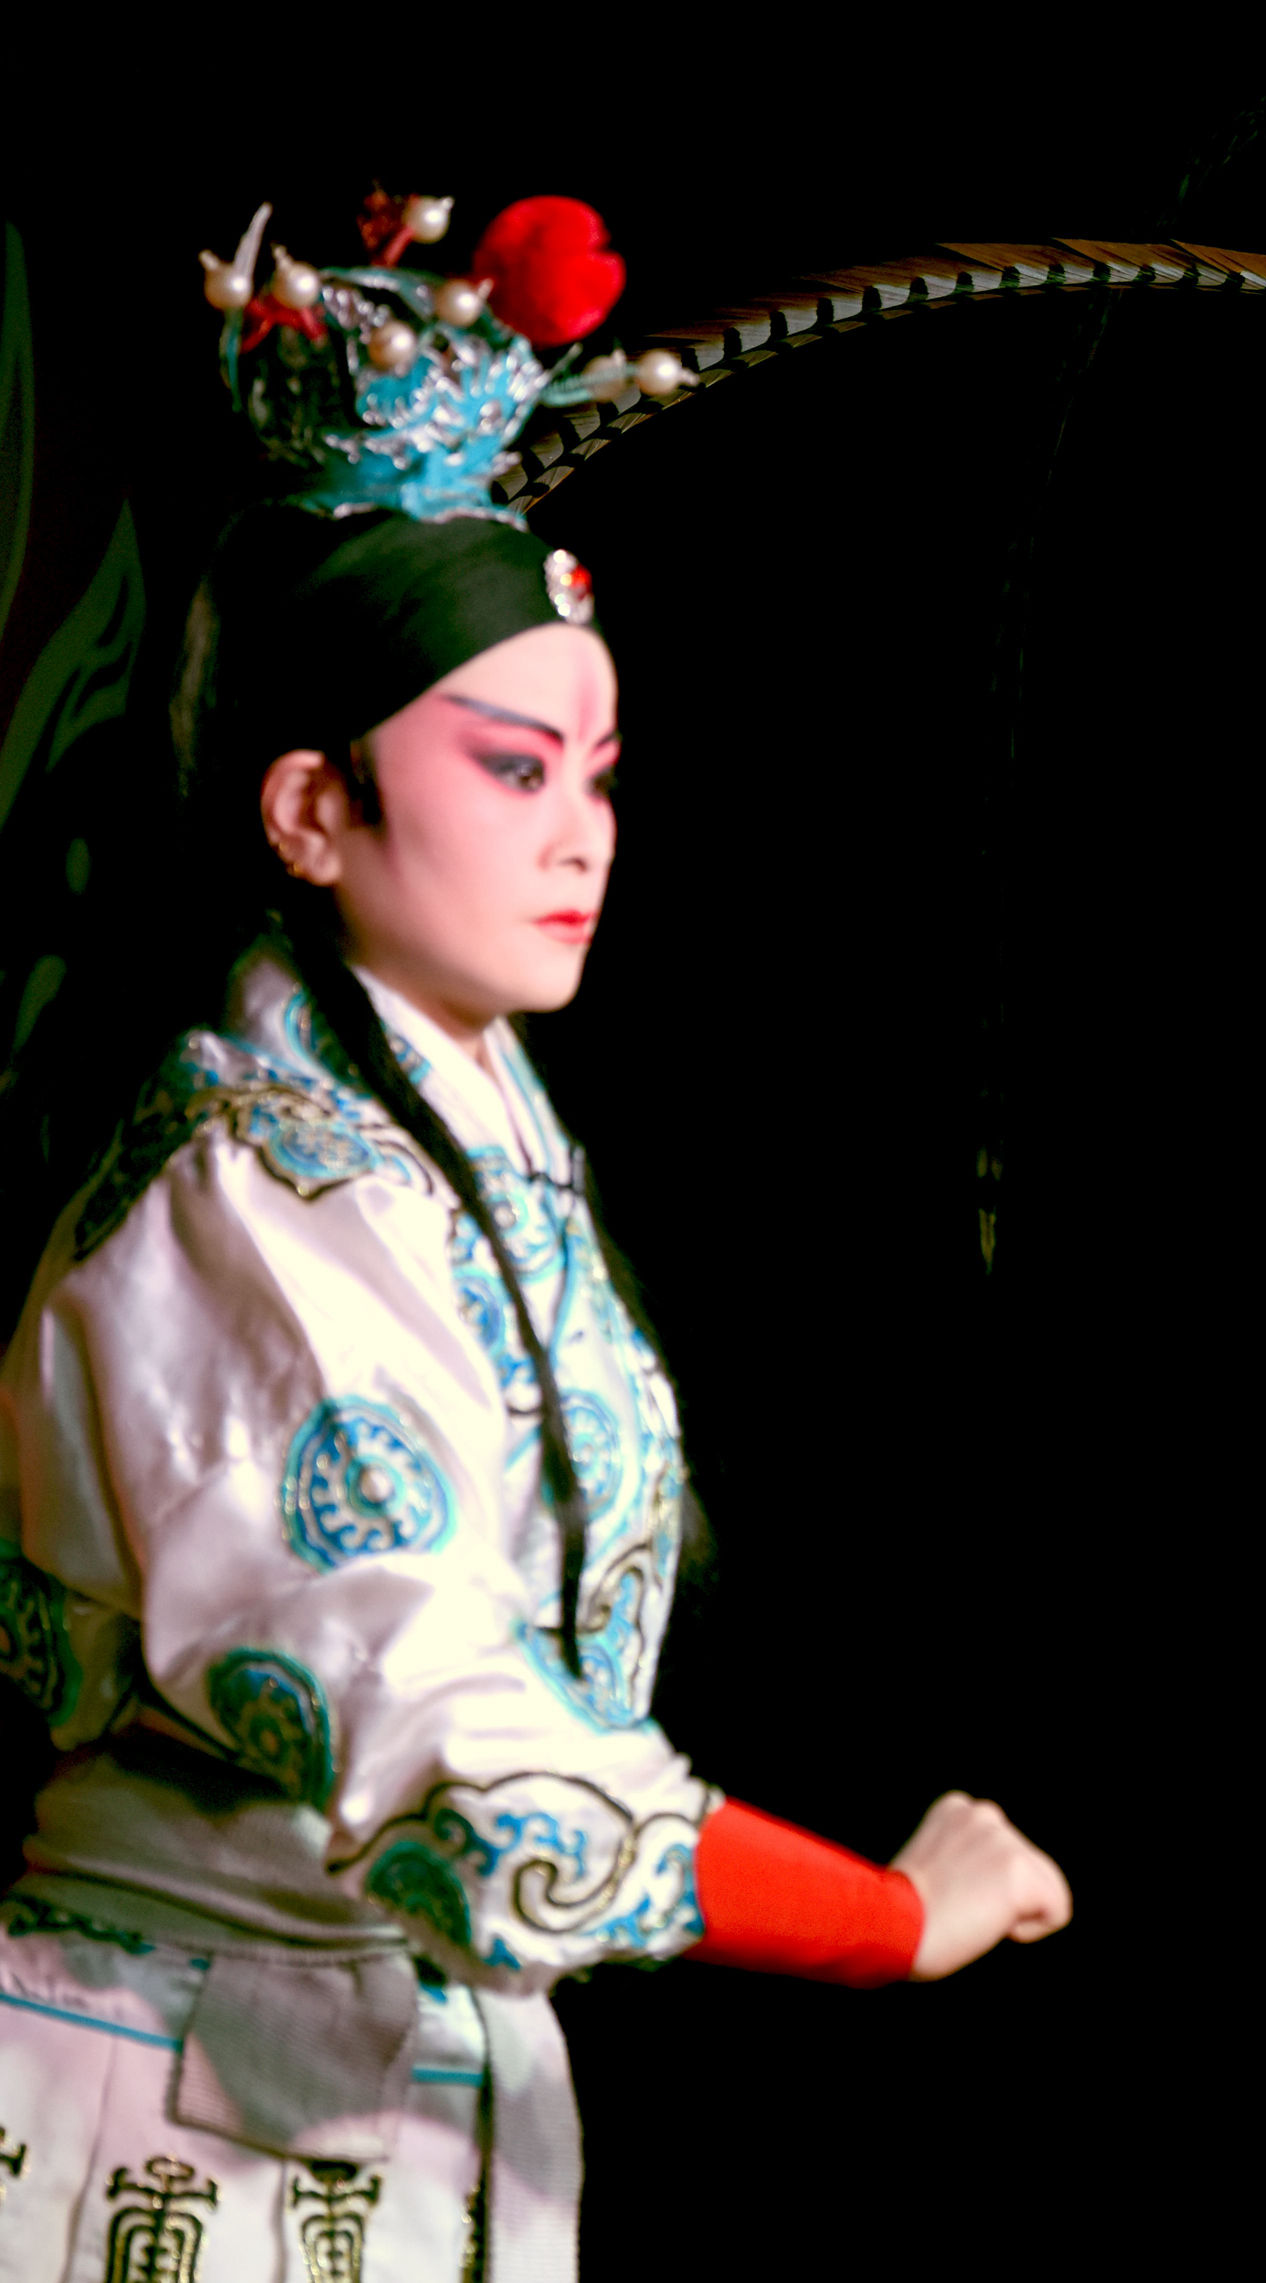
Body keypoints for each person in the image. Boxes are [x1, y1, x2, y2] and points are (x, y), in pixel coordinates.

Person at [0, 193, 1068, 2278]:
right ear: (311, 808)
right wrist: (884, 1914)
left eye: (599, 772)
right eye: (511, 769)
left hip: (391, 2081)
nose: (580, 834)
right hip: (178, 2098)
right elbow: (441, 1738)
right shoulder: (257, 1195)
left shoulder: (454, 1125)